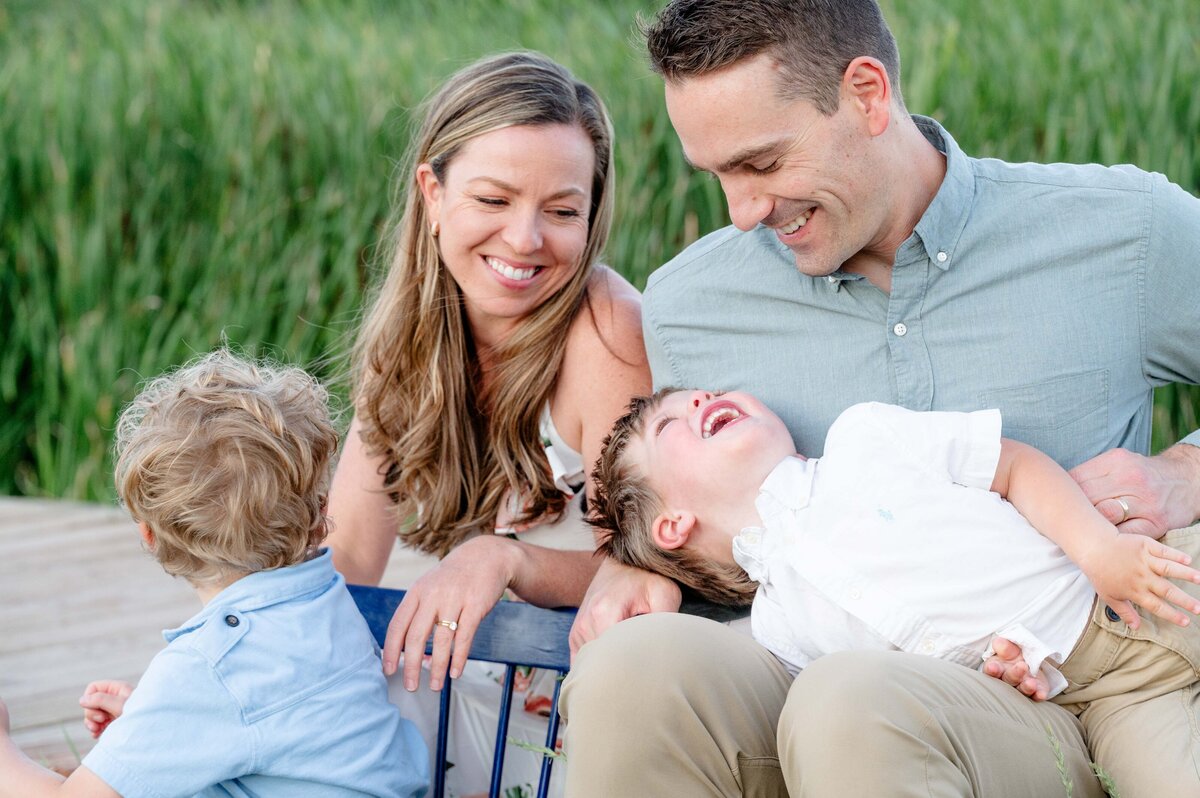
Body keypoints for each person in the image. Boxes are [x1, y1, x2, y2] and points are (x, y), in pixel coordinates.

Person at [558, 1, 1200, 796]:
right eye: (716, 175)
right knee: (633, 670)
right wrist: (636, 564)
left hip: (1077, 690)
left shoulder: (1126, 233)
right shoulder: (691, 301)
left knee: (852, 702)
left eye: (760, 164)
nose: (741, 212)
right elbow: (680, 500)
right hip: (820, 678)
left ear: (867, 93)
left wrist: (1186, 473)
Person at [323, 51, 649, 791]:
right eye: (494, 200)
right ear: (433, 194)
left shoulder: (605, 332)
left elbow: (645, 572)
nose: (526, 239)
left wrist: (504, 558)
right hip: (483, 694)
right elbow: (344, 559)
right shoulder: (407, 344)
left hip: (579, 727)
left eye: (562, 210)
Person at [591, 389, 1200, 751]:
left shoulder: (866, 438)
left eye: (702, 390)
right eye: (669, 422)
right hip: (1104, 700)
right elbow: (912, 693)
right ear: (672, 526)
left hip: (1135, 580)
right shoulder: (781, 625)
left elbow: (1013, 466)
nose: (700, 397)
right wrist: (1008, 675)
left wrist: (1098, 550)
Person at [0, 349, 428, 798]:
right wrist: (162, 727)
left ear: (149, 536)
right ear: (320, 516)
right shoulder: (324, 603)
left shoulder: (211, 669)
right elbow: (278, 722)